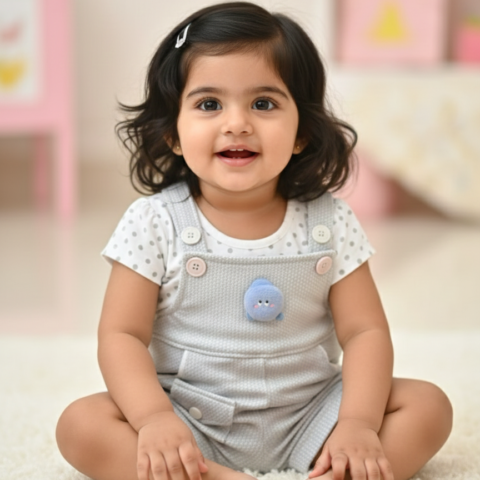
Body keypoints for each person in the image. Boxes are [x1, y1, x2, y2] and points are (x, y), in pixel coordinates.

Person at [56, 3, 453, 480]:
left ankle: (337, 469)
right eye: (209, 104)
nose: (237, 123)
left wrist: (358, 424)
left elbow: (364, 331)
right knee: (81, 424)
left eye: (263, 104)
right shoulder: (153, 222)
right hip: (189, 421)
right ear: (172, 133)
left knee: (428, 405)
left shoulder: (329, 221)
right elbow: (122, 335)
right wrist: (154, 419)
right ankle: (213, 475)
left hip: (313, 414)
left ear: (303, 131)